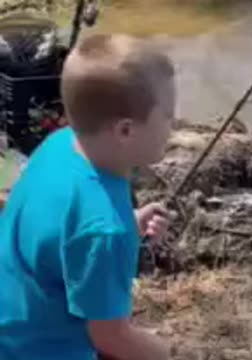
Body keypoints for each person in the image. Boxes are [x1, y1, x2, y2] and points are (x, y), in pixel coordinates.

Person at [0, 33, 176, 360]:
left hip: (13, 319)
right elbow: (111, 338)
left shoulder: (60, 145)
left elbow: (58, 229)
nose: (173, 124)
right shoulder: (105, 231)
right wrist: (166, 353)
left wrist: (128, 225)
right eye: (167, 115)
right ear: (125, 131)